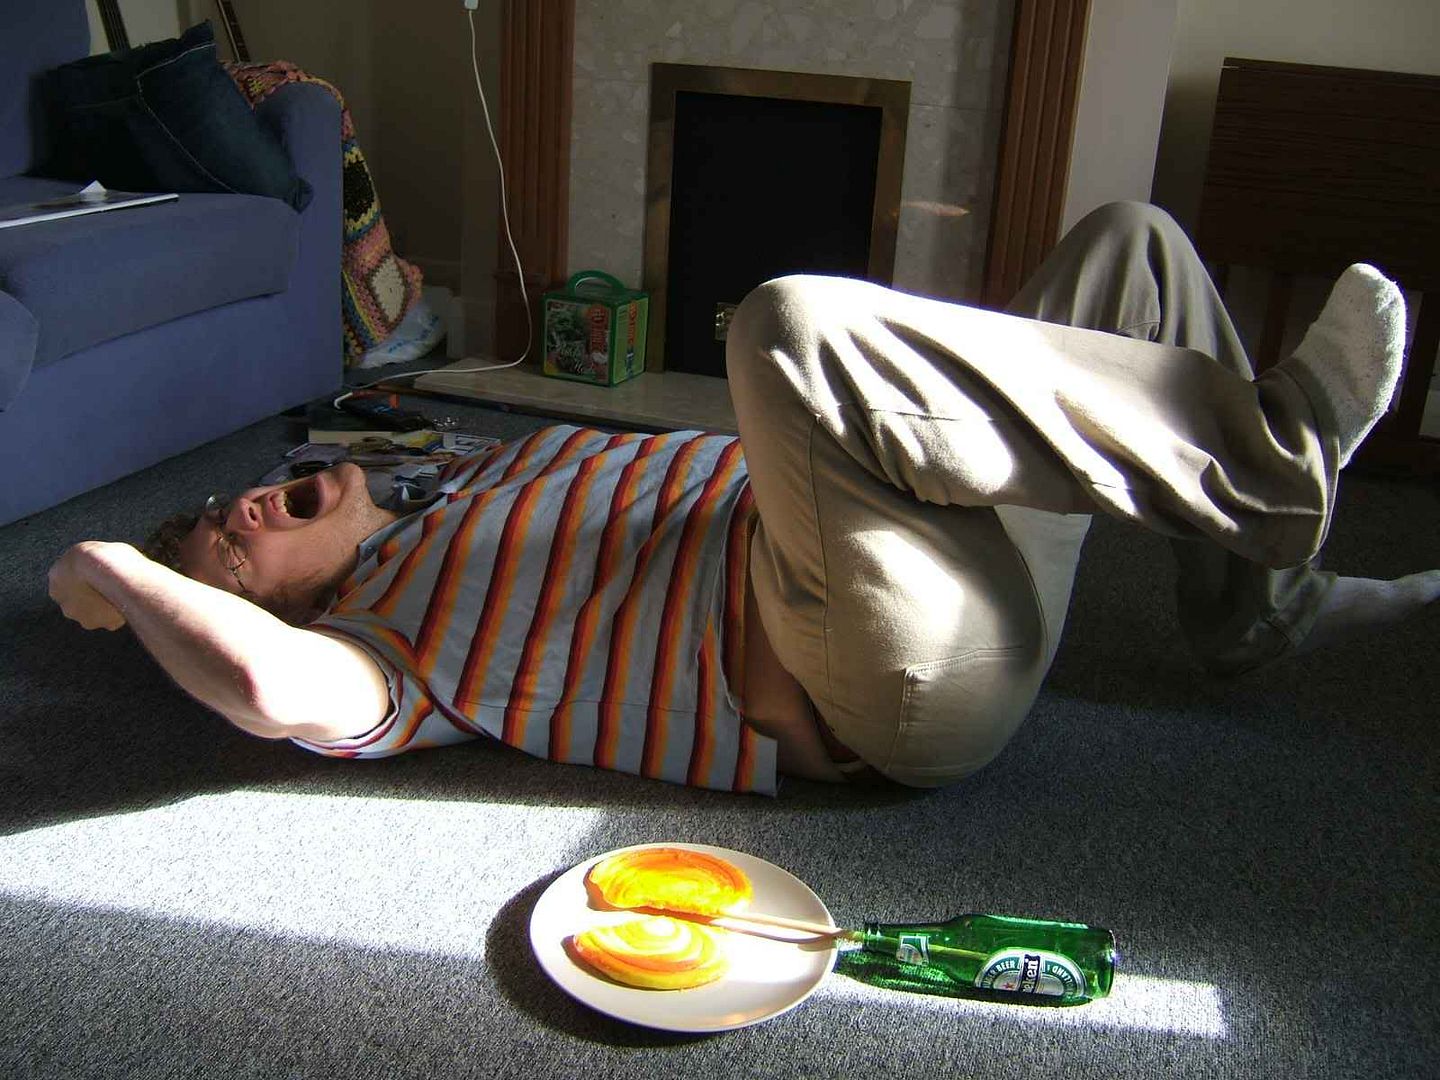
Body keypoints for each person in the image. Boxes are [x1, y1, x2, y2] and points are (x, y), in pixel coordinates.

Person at [47, 202, 1439, 794]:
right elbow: (269, 691)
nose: (241, 509)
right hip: (884, 674)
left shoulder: (479, 475)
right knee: (786, 330)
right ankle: (1278, 459)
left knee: (1132, 250)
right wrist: (117, 564)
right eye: (229, 549)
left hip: (949, 550)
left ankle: (1259, 610)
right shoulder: (384, 650)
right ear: (289, 607)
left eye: (232, 504)